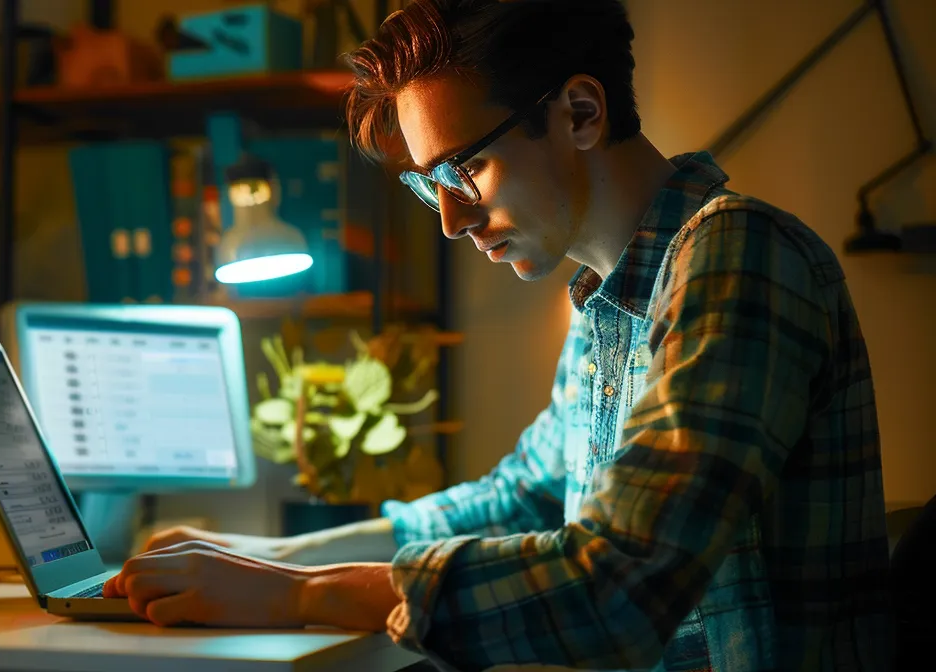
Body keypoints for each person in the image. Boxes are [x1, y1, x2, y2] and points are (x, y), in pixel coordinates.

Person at [101, 0, 894, 669]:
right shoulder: (609, 305)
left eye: (464, 171)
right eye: (427, 185)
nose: (450, 221)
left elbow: (618, 582)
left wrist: (302, 593)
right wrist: (269, 556)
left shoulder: (738, 254)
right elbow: (519, 500)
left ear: (580, 112)